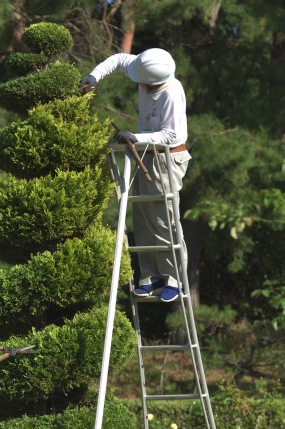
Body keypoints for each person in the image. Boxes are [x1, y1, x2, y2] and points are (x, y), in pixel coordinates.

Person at [81, 48, 191, 303]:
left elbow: (171, 135)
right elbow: (119, 59)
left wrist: (137, 136)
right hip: (145, 154)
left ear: (152, 82)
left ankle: (174, 279)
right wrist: (94, 76)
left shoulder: (171, 93)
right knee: (142, 218)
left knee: (163, 220)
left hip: (167, 159)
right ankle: (150, 277)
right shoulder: (146, 67)